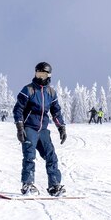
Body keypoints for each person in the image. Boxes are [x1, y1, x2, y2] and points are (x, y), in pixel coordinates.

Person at [13, 61, 67, 196]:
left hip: (43, 130)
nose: (39, 77)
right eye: (38, 73)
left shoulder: (51, 92)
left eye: (43, 74)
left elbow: (56, 112)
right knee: (29, 156)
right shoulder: (28, 90)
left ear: (48, 75)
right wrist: (20, 127)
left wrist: (61, 128)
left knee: (51, 156)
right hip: (29, 128)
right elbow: (18, 109)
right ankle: (27, 184)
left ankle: (54, 186)